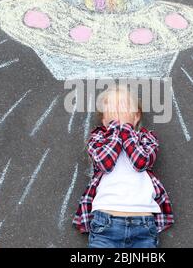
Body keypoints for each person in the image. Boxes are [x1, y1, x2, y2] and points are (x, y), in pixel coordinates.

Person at [72, 85, 174, 248]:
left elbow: (141, 162)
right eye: (112, 109)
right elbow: (105, 163)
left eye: (124, 107)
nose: (118, 112)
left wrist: (126, 130)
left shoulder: (147, 139)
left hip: (144, 225)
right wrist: (114, 131)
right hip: (105, 223)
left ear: (136, 116)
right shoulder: (98, 138)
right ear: (104, 120)